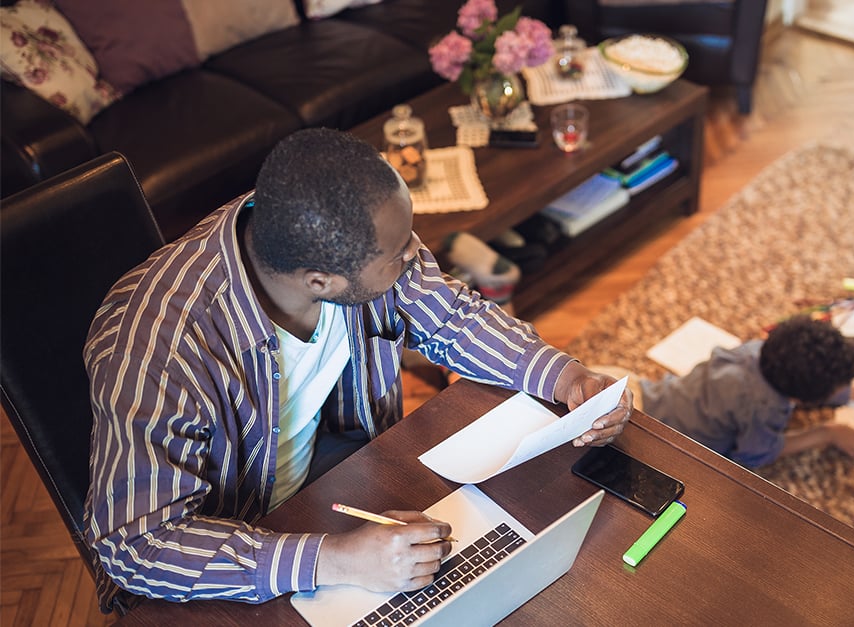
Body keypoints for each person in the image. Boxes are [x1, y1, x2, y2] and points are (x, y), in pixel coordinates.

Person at [83, 128, 632, 612]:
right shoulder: (158, 345)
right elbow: (134, 545)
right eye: (396, 254)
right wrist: (337, 560)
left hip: (345, 477)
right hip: (239, 550)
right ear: (320, 281)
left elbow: (453, 319)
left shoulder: (326, 230)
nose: (414, 253)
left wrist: (565, 377)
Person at [608, 316, 854, 467]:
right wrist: (827, 433)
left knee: (601, 380)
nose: (844, 390)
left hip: (644, 392)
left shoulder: (758, 351)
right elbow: (756, 455)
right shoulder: (764, 408)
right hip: (652, 435)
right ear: (799, 399)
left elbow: (807, 379)